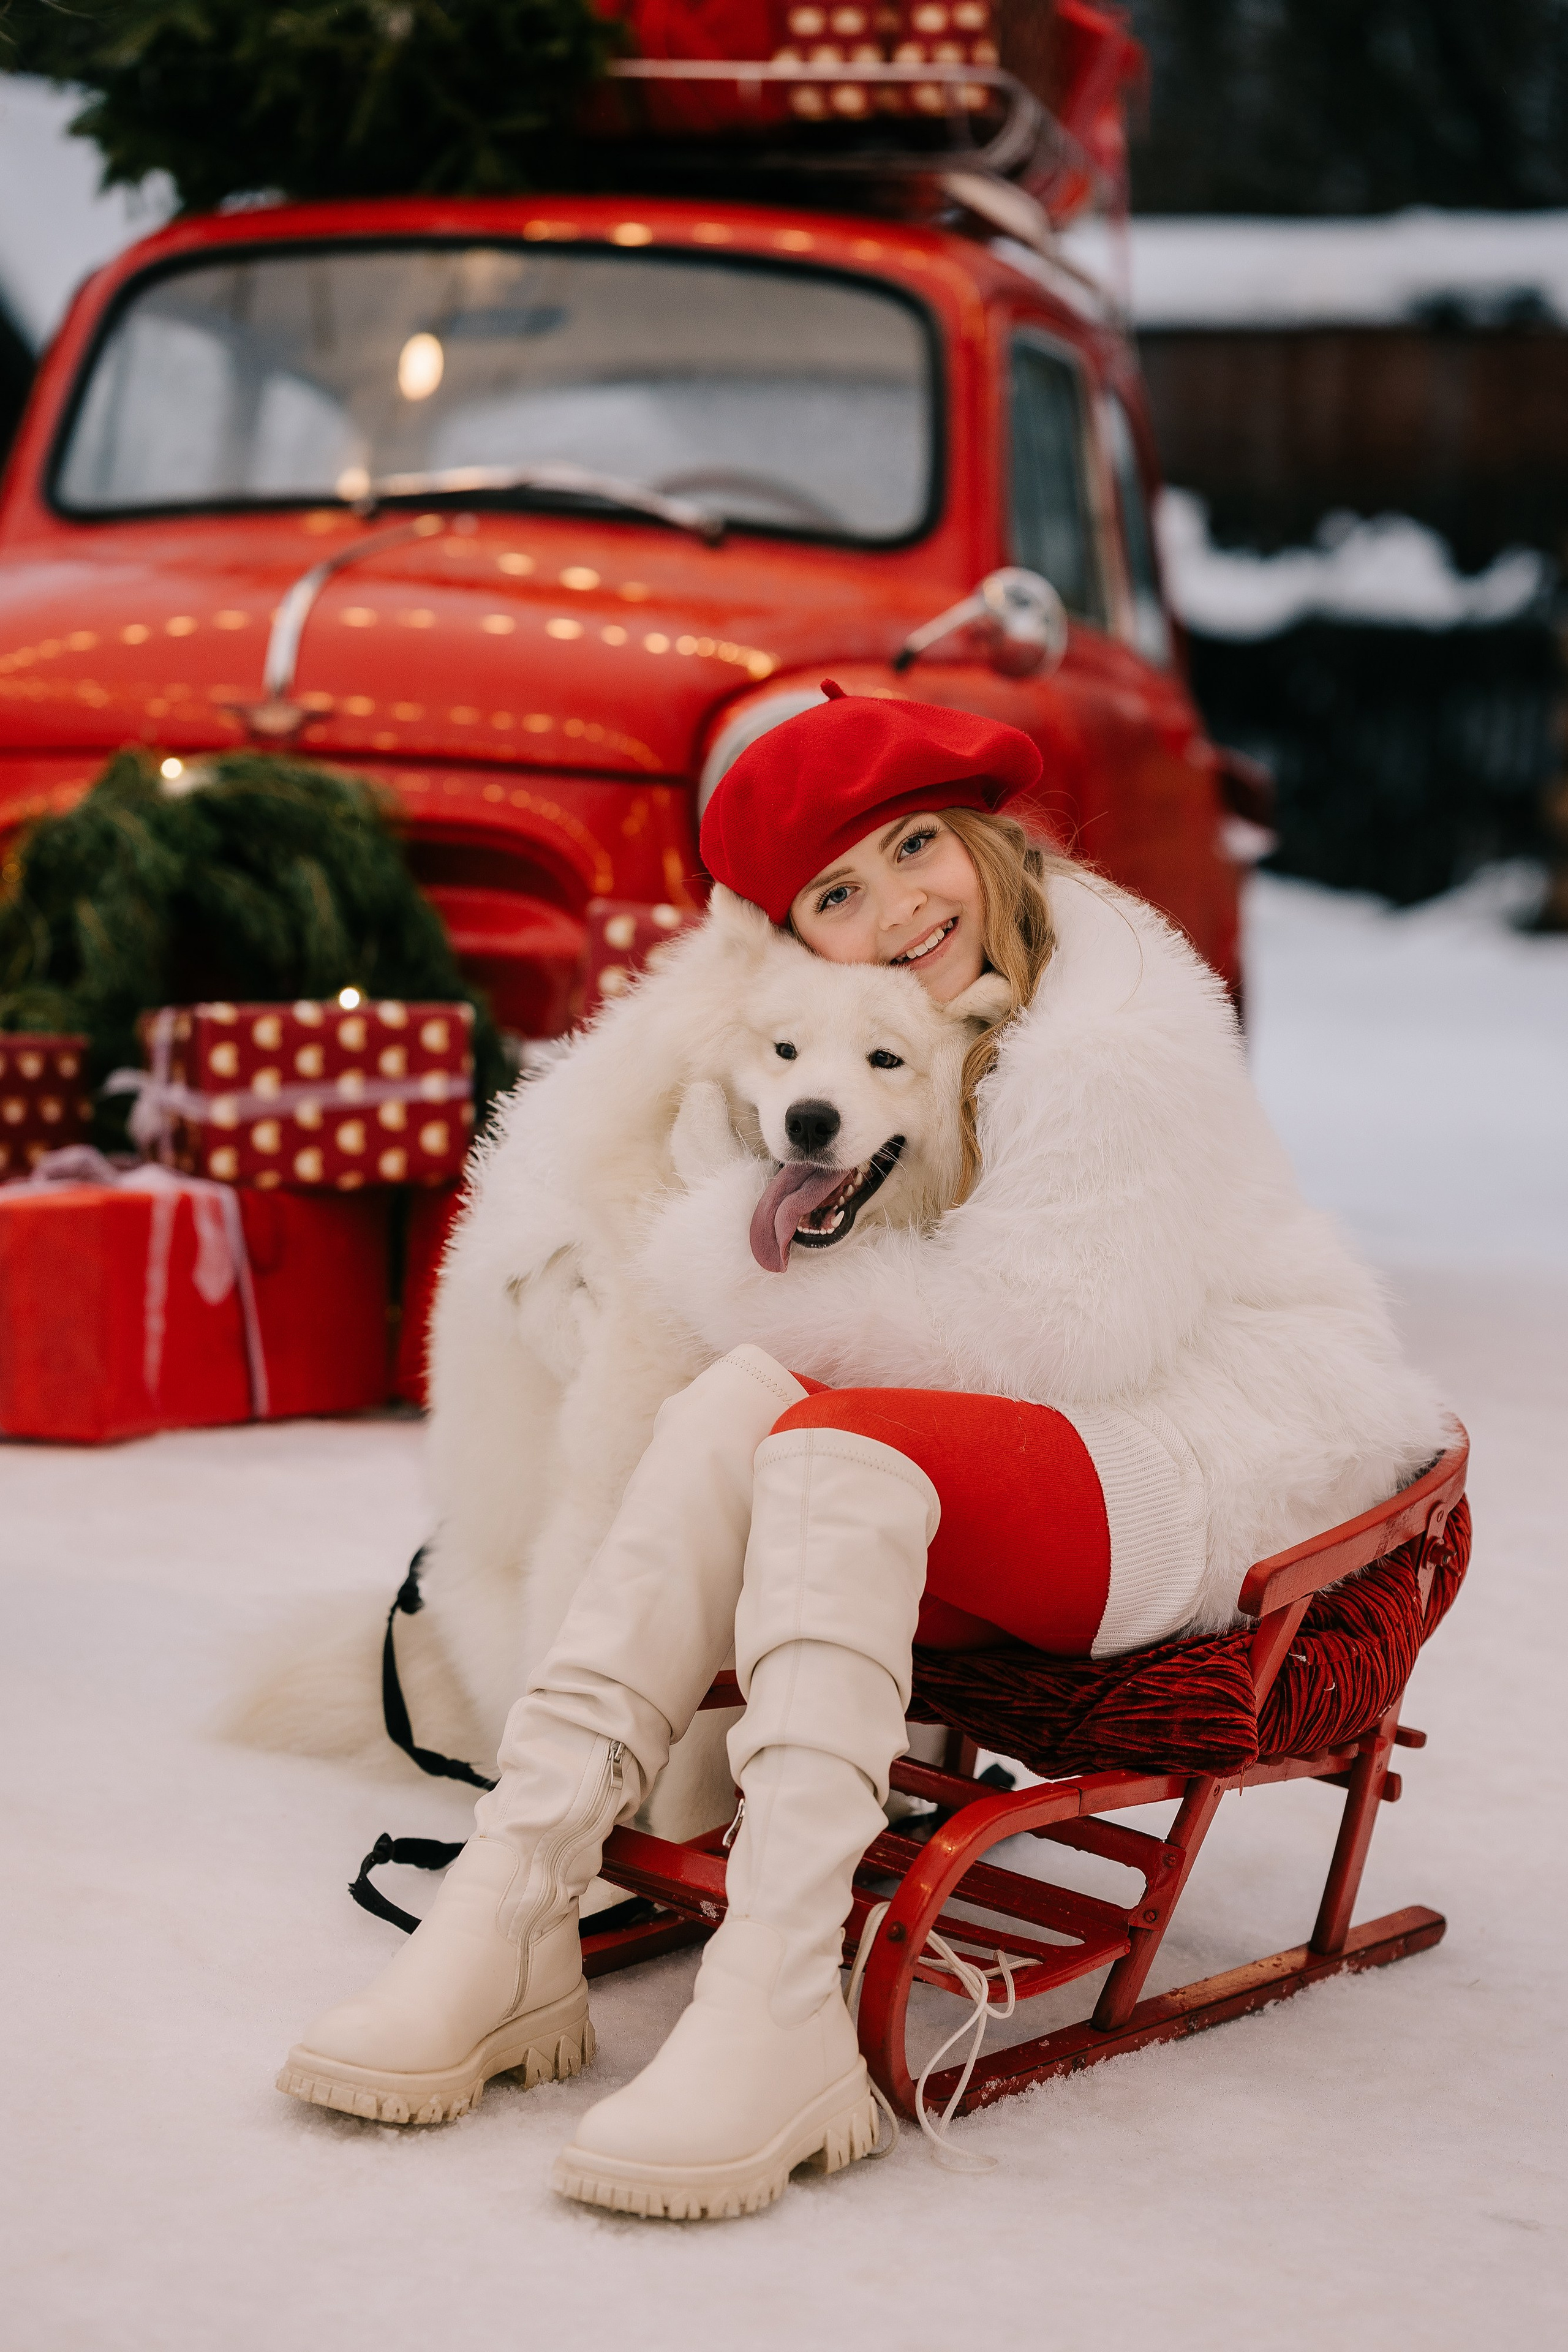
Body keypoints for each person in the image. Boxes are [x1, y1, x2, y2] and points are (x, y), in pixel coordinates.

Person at [279, 687, 1447, 2217]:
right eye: (840, 891)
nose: (897, 909)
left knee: (817, 1434)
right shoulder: (871, 1031)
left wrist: (721, 1261)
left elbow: (1042, 1337)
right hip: (1037, 1444)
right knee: (731, 1412)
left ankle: (774, 2009)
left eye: (916, 849)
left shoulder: (1110, 1031)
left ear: (981, 838)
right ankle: (508, 1913)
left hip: (1208, 1455)